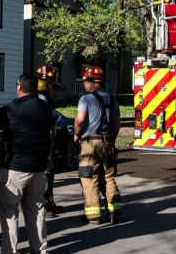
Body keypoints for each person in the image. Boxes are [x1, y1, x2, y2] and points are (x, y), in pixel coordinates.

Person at [0, 73, 54, 254]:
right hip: (39, 165)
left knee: (9, 209)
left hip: (16, 165)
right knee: (36, 208)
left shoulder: (12, 107)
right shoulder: (46, 108)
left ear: (19, 88)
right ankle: (40, 250)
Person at [74, 65, 122, 225]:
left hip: (90, 144)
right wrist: (112, 141)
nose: (83, 84)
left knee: (90, 177)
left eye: (85, 81)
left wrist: (76, 135)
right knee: (108, 177)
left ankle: (93, 216)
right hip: (107, 142)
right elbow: (116, 124)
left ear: (93, 82)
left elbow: (80, 120)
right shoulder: (112, 99)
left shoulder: (86, 99)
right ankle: (114, 211)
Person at [35, 64, 64, 216]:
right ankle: (44, 203)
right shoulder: (43, 100)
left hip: (39, 141)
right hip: (43, 142)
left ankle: (48, 201)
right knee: (46, 172)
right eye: (52, 83)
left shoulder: (36, 97)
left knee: (47, 172)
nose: (53, 86)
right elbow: (51, 119)